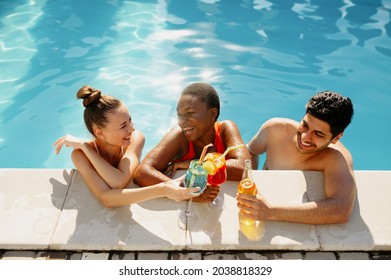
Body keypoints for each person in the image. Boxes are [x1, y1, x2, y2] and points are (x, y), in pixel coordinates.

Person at [53, 85, 200, 208]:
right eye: (123, 126)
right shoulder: (80, 155)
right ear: (100, 133)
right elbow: (108, 199)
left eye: (130, 120)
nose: (131, 129)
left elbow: (119, 182)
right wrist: (85, 147)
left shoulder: (136, 139)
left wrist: (164, 189)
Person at [237, 91, 356, 224]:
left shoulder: (336, 158)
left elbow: (340, 210)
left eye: (318, 134)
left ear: (336, 138)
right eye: (305, 125)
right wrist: (248, 178)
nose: (305, 137)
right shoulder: (275, 130)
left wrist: (271, 212)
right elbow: (251, 152)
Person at [134, 82, 251, 201]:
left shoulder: (225, 129)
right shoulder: (179, 135)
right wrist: (186, 193)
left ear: (212, 114)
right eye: (179, 114)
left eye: (190, 113)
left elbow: (244, 167)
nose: (182, 121)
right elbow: (142, 173)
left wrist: (192, 164)